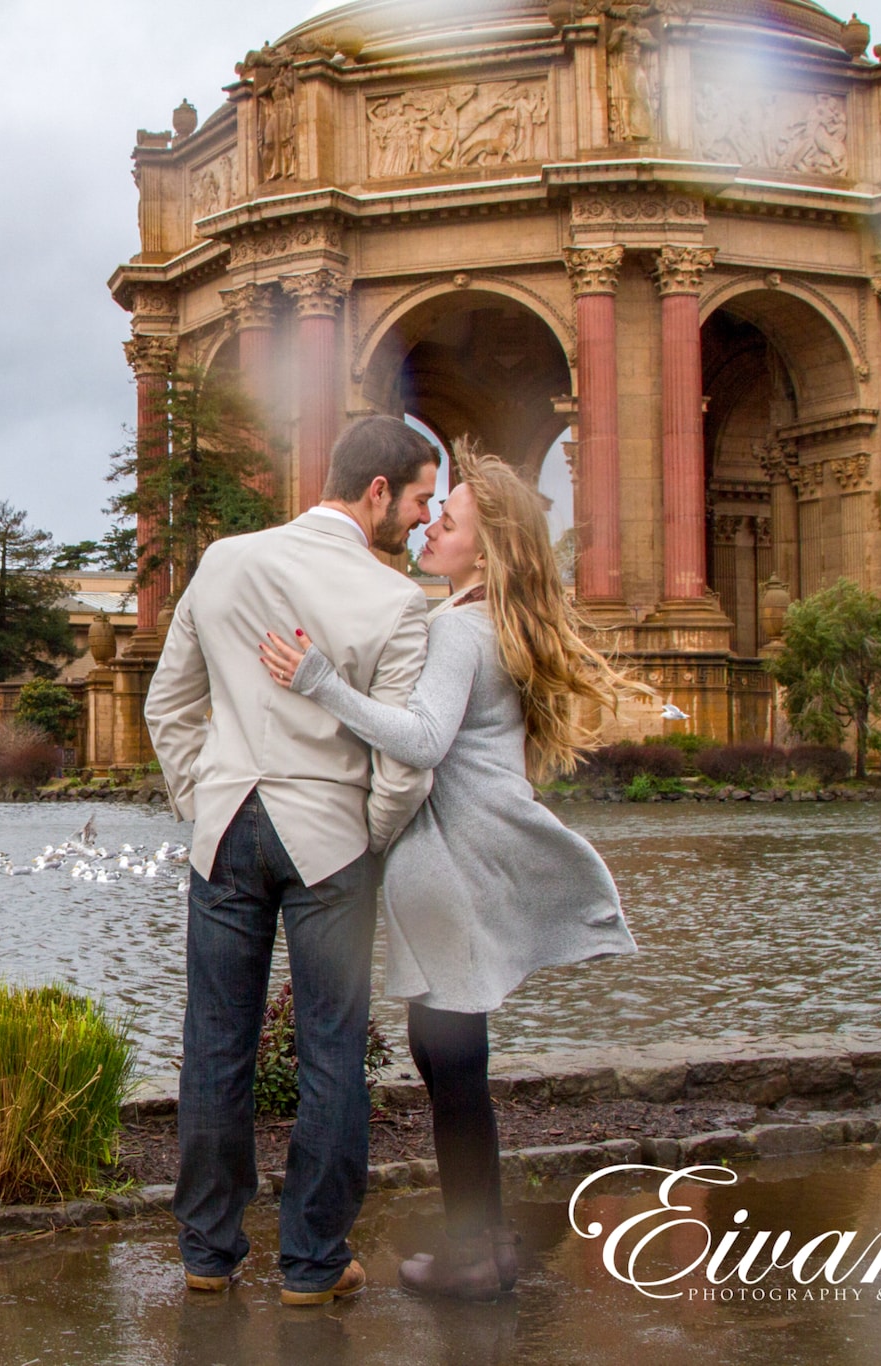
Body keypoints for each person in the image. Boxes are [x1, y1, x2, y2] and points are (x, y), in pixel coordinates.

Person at [259, 441, 639, 1300]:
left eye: (452, 518)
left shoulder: (459, 630)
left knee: (452, 1064)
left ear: (488, 547)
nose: (432, 524)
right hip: (472, 862)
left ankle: (478, 1254)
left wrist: (320, 680)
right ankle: (488, 1241)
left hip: (445, 865)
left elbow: (424, 744)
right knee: (453, 1062)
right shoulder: (493, 626)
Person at [145, 415, 439, 1306]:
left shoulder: (227, 560)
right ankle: (312, 1264)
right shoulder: (397, 602)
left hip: (226, 826)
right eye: (422, 498)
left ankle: (208, 1253)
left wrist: (204, 800)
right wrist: (369, 833)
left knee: (215, 1043)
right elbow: (404, 763)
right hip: (329, 839)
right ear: (377, 490)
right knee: (331, 1053)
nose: (425, 520)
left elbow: (170, 705)